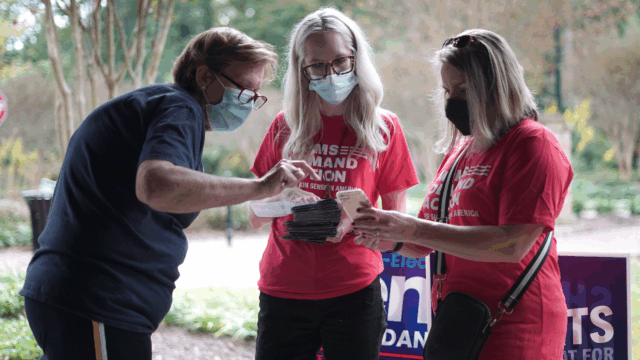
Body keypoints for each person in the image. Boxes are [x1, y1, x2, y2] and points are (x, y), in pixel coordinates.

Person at [20, 27, 319, 360]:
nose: (248, 102)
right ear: (204, 75)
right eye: (244, 89)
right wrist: (259, 187)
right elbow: (156, 185)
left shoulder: (159, 108)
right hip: (97, 297)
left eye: (255, 94)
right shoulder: (179, 108)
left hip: (87, 298)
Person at [352, 29, 573, 359]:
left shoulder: (533, 144)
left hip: (516, 326)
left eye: (464, 89)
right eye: (447, 90)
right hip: (460, 323)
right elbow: (423, 241)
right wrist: (385, 234)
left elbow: (513, 244)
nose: (452, 100)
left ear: (498, 86)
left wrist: (411, 228)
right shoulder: (462, 150)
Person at [247, 7, 420, 360]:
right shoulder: (285, 126)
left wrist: (353, 220)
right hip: (284, 288)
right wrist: (286, 201)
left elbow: (395, 229)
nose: (332, 74)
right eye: (317, 65)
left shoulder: (383, 128)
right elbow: (254, 216)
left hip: (353, 290)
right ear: (301, 68)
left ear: (357, 59)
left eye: (342, 61)